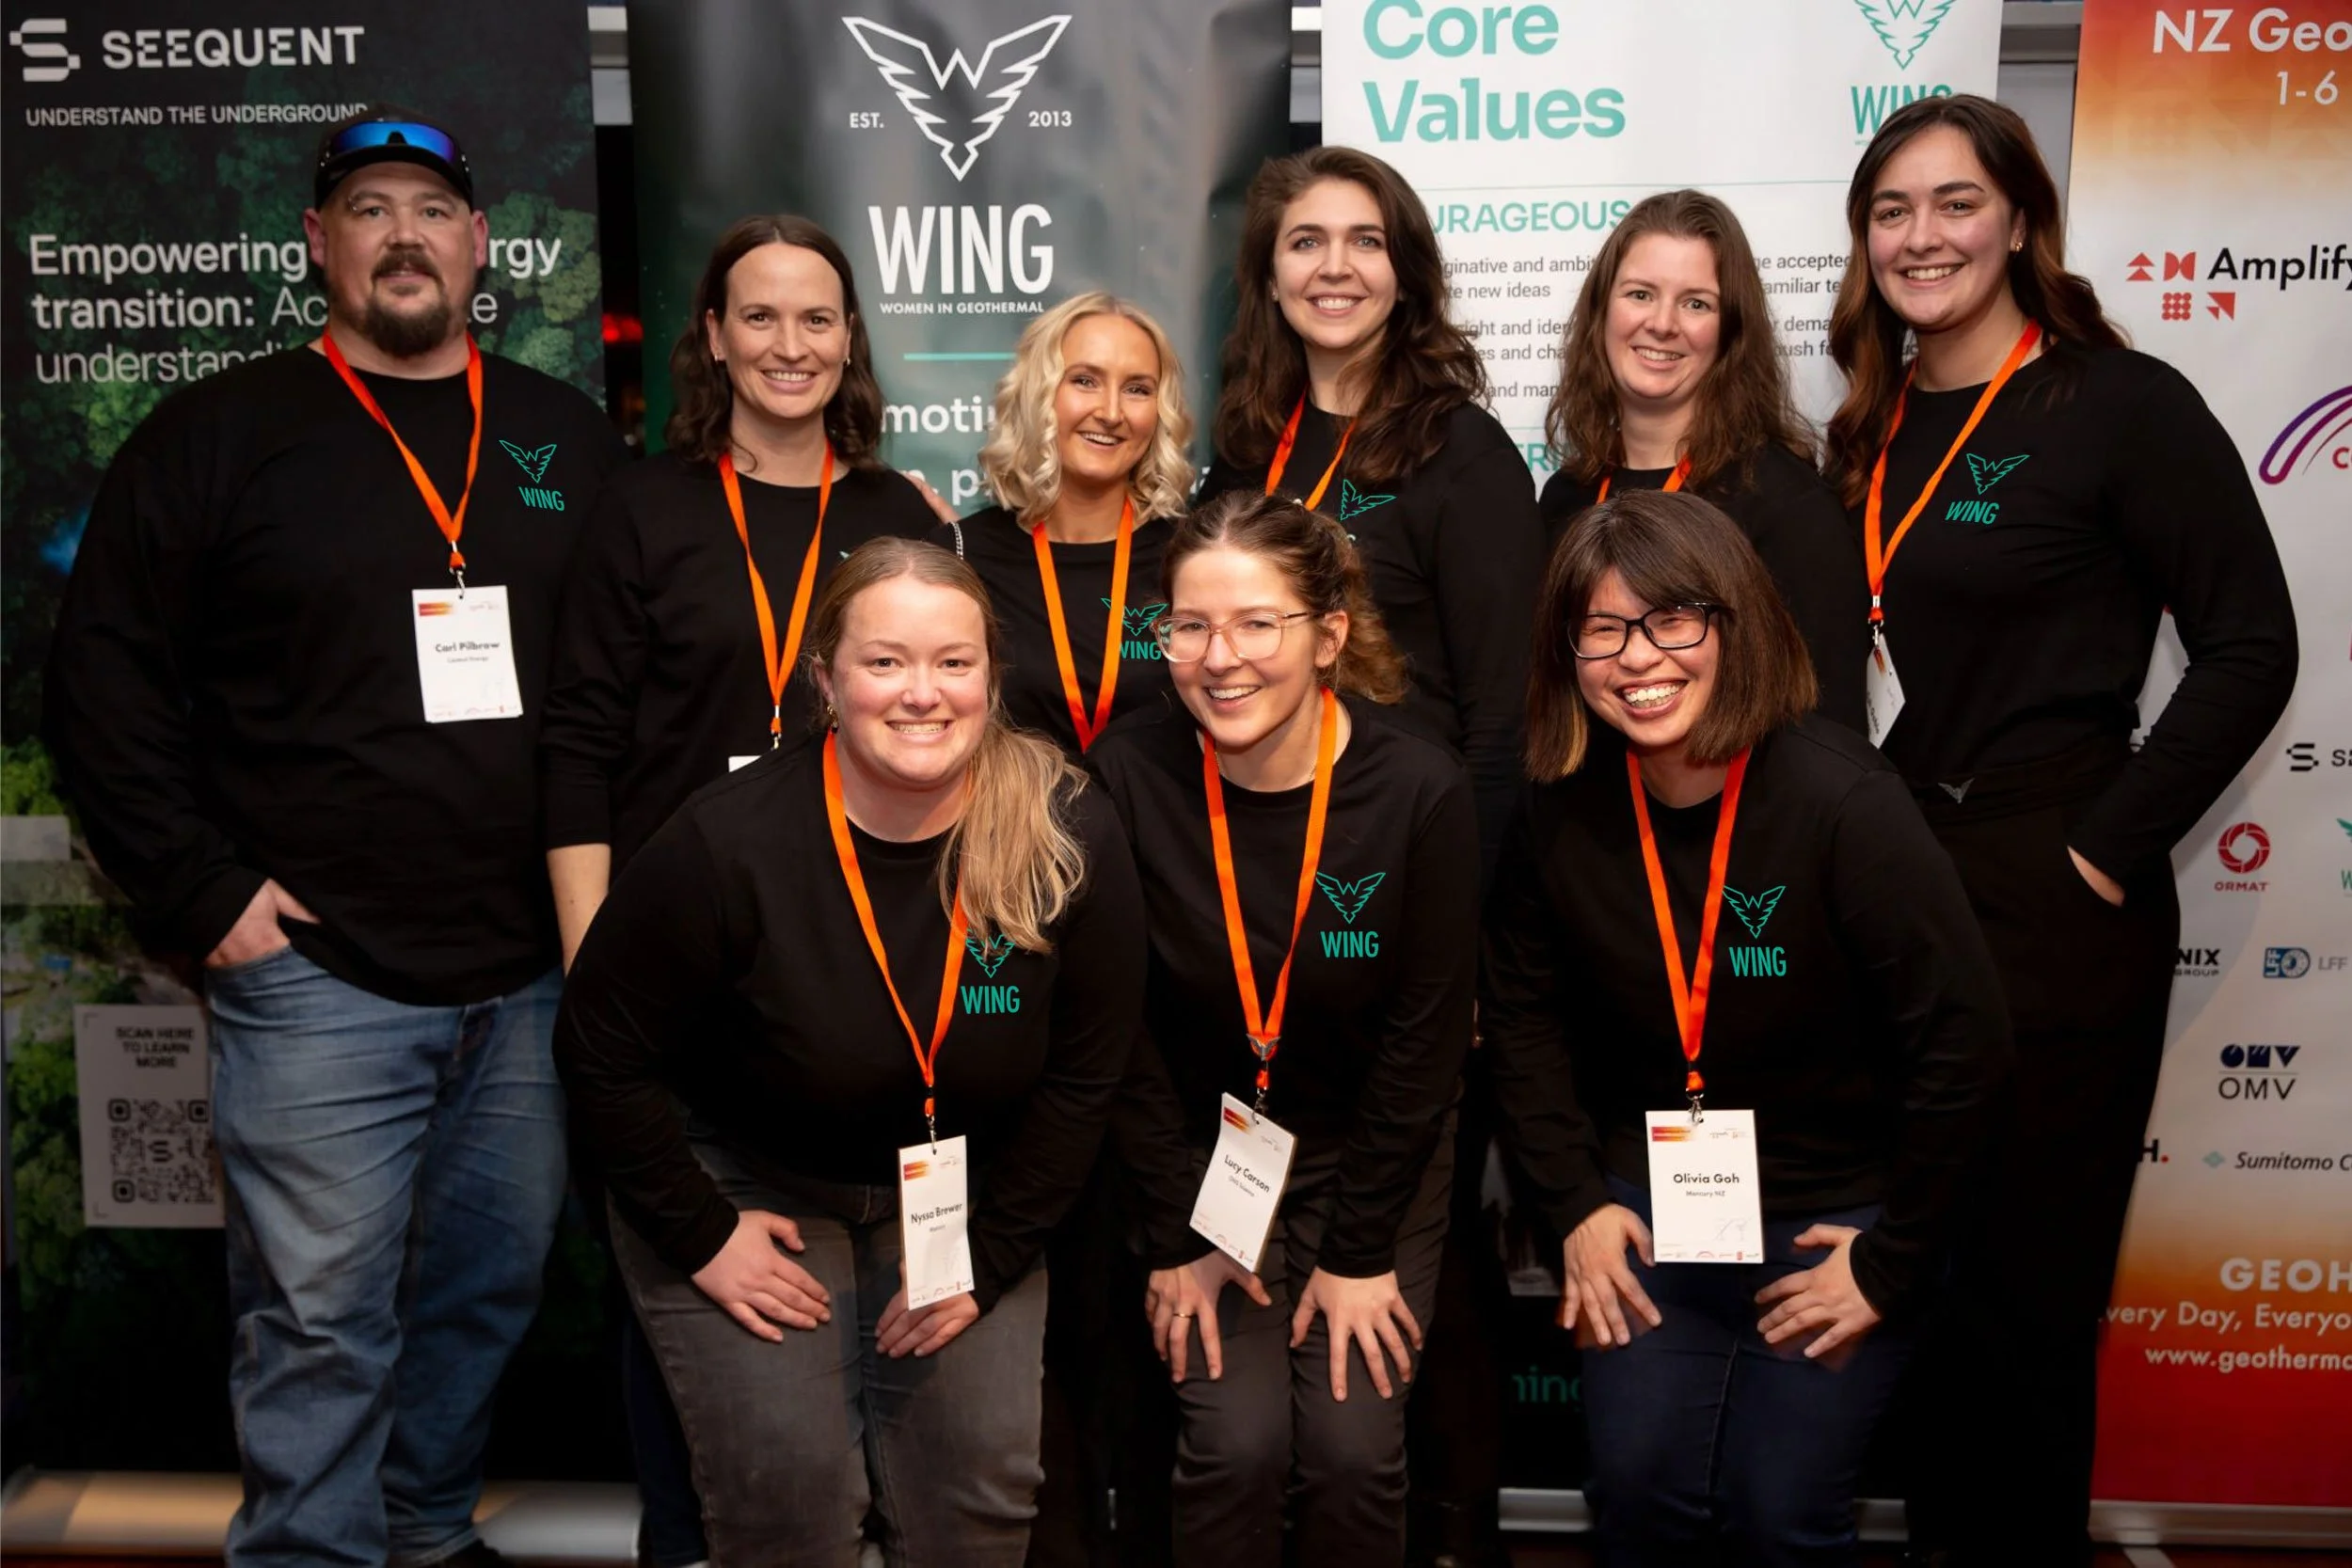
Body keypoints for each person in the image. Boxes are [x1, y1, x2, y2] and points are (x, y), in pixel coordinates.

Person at [40, 107, 627, 1567]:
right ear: (320, 245)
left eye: (432, 208)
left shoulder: (562, 434)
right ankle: (310, 1550)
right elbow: (100, 679)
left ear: (480, 242)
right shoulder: (220, 432)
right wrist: (205, 890)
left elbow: (638, 678)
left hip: (531, 971)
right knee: (316, 1315)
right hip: (316, 977)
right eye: (369, 209)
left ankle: (422, 1530)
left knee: (487, 1289)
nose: (404, 236)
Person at [1820, 96, 2297, 1565]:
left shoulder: (2118, 403)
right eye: (1892, 212)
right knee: (1914, 1272)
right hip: (1889, 880)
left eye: (1955, 204)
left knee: (2025, 1299)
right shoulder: (1864, 424)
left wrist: (2101, 843)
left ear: (2019, 217)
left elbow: (2251, 645)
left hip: (2053, 885)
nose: (1922, 237)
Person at [555, 538, 1146, 1566]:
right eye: (885, 662)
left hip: (965, 1190)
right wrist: (702, 1231)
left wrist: (992, 1253)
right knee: (790, 1504)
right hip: (748, 1183)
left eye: (954, 662)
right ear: (825, 678)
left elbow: (1085, 1073)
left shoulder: (1068, 828)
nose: (923, 693)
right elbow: (598, 1051)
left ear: (991, 676)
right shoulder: (727, 841)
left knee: (980, 1498)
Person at [1483, 489, 2010, 1566]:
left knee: (1778, 1514)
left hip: (1836, 1221)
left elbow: (1966, 1047)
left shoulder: (1843, 802)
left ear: (1735, 624)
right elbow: (1523, 1018)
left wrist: (1891, 1260)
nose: (1639, 658)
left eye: (1673, 619)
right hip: (1646, 1215)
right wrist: (1574, 1201)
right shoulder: (1559, 801)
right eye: (1603, 628)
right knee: (1637, 1495)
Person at [1090, 492, 1479, 1568]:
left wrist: (1360, 1255)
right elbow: (1113, 1038)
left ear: (1330, 634)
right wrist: (1176, 1232)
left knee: (1354, 1450)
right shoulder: (1125, 778)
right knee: (1235, 1441)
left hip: (1376, 1157)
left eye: (1258, 623)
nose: (1222, 658)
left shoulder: (1418, 789)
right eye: (1192, 625)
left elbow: (1425, 1044)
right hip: (1201, 1163)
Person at [542, 214, 936, 958]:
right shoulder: (640, 508)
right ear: (717, 337)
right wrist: (589, 967)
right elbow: (578, 746)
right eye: (761, 317)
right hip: (671, 922)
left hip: (862, 929)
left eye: (816, 320)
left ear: (848, 337)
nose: (791, 347)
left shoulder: (900, 516)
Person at [1199, 145, 1540, 871]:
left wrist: (1457, 907)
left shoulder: (1466, 457)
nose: (1334, 266)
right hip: (1257, 848)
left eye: (1367, 241)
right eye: (1305, 241)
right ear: (1269, 276)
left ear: (1405, 277)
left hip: (1406, 855)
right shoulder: (1246, 448)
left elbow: (1503, 724)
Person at [1540, 189, 1869, 734]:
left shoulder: (1785, 502)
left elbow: (1829, 729)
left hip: (1745, 816)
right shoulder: (1566, 498)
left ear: (1730, 333)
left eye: (1696, 303)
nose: (1663, 324)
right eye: (1640, 294)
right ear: (1602, 311)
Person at [927, 292, 1194, 757]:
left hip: (1165, 828)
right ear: (1039, 394)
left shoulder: (1194, 558)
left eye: (1137, 388)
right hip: (1011, 827)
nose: (1111, 412)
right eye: (1085, 380)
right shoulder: (958, 558)